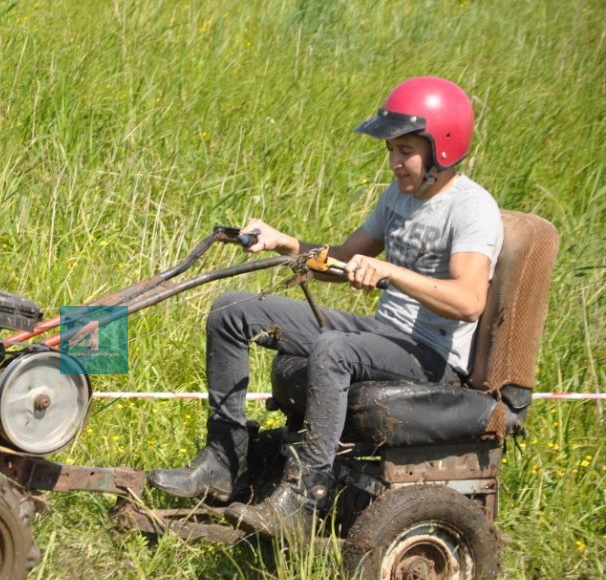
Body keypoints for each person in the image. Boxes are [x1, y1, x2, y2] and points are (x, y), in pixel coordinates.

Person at [147, 76, 504, 537]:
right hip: (382, 334)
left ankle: (304, 495)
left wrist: (393, 273)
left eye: (406, 151)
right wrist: (285, 242)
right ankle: (225, 459)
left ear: (443, 148)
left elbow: (469, 301)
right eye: (391, 150)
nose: (394, 163)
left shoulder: (472, 209)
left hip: (431, 357)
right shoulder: (398, 197)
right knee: (232, 311)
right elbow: (340, 259)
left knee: (335, 348)